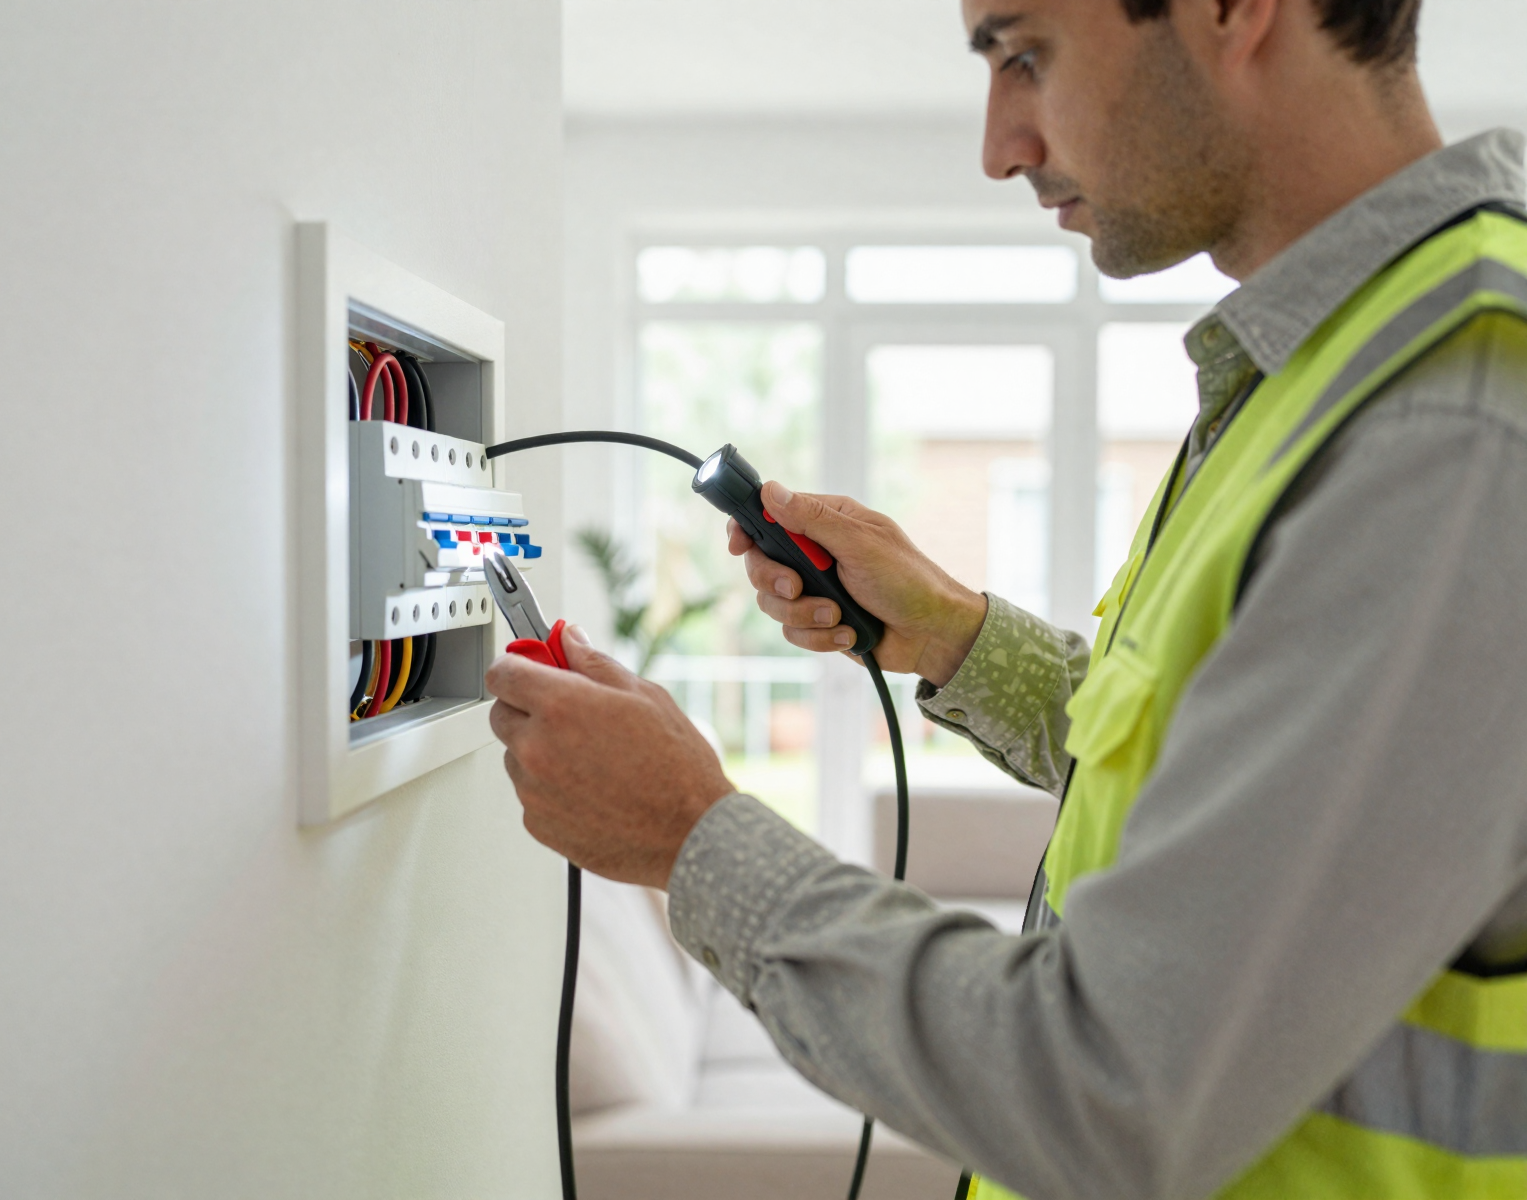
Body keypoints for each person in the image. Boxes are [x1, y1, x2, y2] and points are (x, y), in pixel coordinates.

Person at [487, 0, 1527, 1194]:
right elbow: (1239, 771)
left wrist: (688, 834)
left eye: (1023, 54)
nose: (1000, 146)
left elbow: (1109, 1085)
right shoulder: (1329, 372)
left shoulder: (1449, 421)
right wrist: (957, 636)